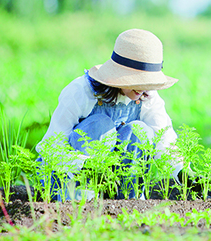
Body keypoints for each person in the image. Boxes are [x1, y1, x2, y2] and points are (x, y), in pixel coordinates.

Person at [36, 28, 181, 200]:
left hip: (111, 182)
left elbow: (163, 138)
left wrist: (182, 171)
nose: (143, 88)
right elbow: (50, 146)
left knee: (141, 131)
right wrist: (85, 164)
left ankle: (129, 201)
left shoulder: (146, 95)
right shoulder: (81, 92)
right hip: (65, 179)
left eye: (147, 82)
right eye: (138, 80)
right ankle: (80, 199)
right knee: (100, 124)